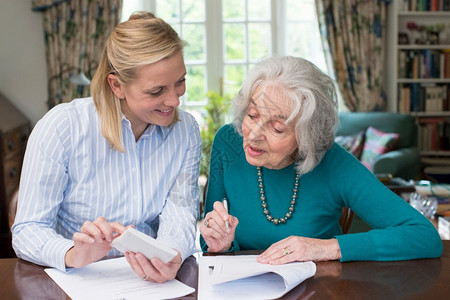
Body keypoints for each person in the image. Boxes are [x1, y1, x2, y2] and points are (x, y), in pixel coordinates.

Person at [12, 12, 201, 283]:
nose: (174, 100)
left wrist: (170, 255)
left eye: (180, 82)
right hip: (77, 281)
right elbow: (28, 230)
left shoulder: (186, 131)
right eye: (156, 91)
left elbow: (180, 212)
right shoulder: (62, 127)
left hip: (148, 283)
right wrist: (72, 254)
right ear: (117, 85)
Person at [200, 56, 443, 263]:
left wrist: (324, 248)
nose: (253, 135)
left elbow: (423, 235)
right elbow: (208, 240)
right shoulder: (229, 143)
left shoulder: (333, 162)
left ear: (306, 136)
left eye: (277, 129)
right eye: (252, 115)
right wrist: (218, 244)